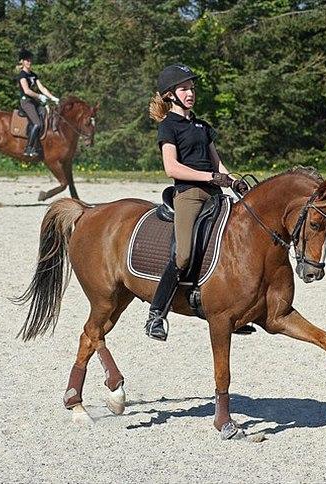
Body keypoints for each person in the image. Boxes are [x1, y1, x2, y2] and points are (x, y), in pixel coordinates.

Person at [145, 63, 248, 342]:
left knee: (234, 244)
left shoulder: (202, 126)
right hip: (190, 194)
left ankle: (232, 307)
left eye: (192, 88)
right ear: (170, 95)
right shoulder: (168, 126)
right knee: (184, 255)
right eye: (184, 89)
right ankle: (156, 314)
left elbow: (217, 162)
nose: (190, 93)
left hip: (215, 193)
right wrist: (209, 177)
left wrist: (233, 181)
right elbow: (171, 168)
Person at [16, 49, 60, 157]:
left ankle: (41, 144)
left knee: (46, 115)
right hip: (26, 102)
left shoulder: (33, 75)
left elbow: (42, 88)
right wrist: (39, 96)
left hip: (34, 101)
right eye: (27, 60)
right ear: (22, 62)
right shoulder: (22, 75)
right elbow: (26, 91)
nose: (29, 62)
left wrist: (52, 97)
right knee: (37, 123)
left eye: (30, 60)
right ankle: (29, 148)